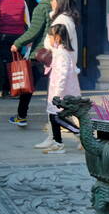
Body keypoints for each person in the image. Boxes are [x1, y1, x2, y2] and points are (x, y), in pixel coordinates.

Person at [34, 0, 80, 149]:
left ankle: (73, 136)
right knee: (64, 106)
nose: (51, 2)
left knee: (61, 107)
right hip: (62, 68)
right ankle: (55, 138)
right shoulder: (64, 18)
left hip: (61, 68)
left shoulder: (62, 21)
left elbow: (53, 44)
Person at [8, 0, 53, 127]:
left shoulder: (41, 8)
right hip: (54, 52)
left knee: (28, 84)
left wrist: (17, 43)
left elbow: (33, 31)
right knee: (55, 85)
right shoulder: (56, 6)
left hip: (40, 53)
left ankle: (21, 116)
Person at [41, 24, 81, 154]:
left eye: (50, 36)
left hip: (61, 92)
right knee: (54, 116)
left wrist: (57, 94)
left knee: (57, 117)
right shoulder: (60, 52)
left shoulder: (62, 53)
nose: (49, 39)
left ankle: (78, 132)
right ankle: (58, 143)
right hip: (57, 91)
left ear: (57, 37)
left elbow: (62, 75)